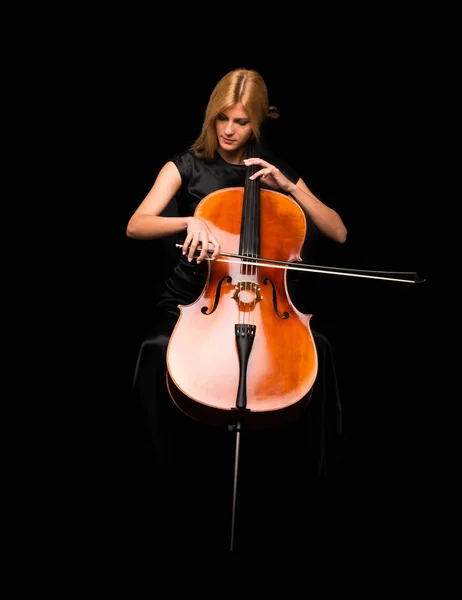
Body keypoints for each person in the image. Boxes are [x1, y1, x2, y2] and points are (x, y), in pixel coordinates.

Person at [126, 68, 348, 552]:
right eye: (222, 118)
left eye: (242, 122)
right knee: (155, 351)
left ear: (257, 124)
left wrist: (290, 188)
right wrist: (191, 221)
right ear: (212, 116)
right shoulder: (185, 165)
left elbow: (337, 231)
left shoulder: (271, 168)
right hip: (194, 300)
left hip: (263, 302)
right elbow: (136, 225)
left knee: (321, 351)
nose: (229, 131)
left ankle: (305, 495)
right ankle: (160, 485)